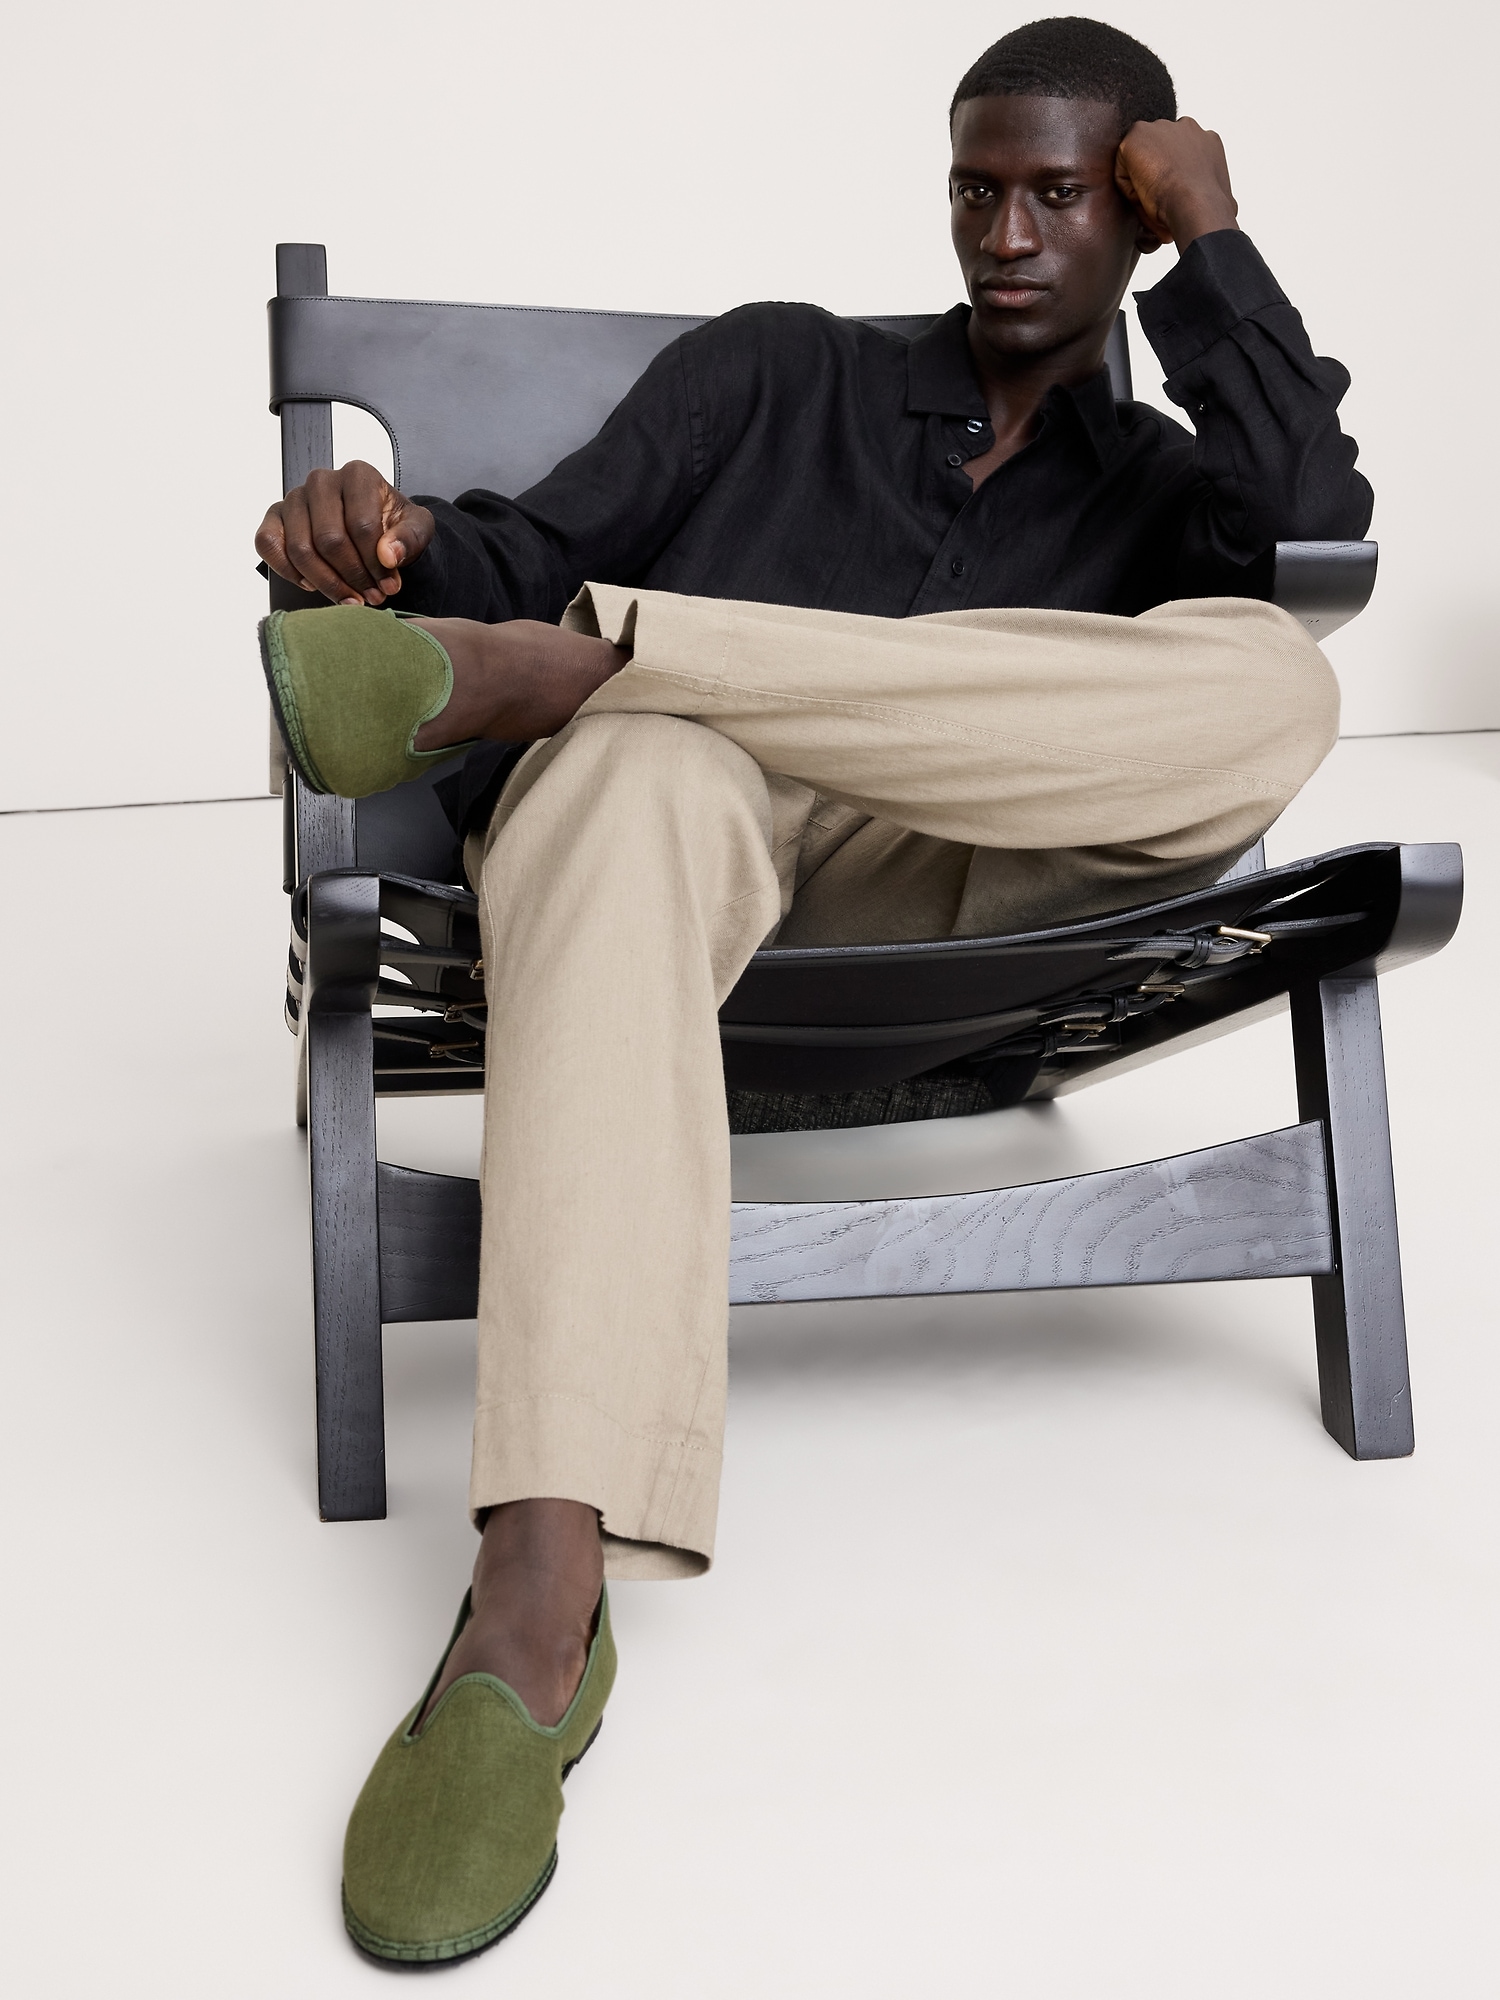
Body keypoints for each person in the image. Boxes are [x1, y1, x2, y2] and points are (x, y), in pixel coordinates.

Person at [255, 16, 1368, 1968]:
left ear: (1130, 207)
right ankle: (536, 1602)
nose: (1006, 234)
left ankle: (616, 663)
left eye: (1061, 195)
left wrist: (1216, 239)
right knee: (641, 771)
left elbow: (1311, 525)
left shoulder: (1150, 479)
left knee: (1281, 678)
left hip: (950, 875)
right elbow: (528, 544)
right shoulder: (776, 368)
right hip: (674, 854)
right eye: (976, 188)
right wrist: (391, 547)